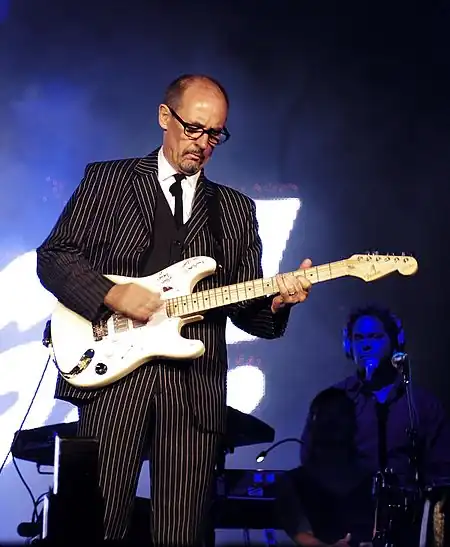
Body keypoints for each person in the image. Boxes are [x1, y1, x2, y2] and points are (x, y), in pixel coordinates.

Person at [36, 74, 312, 546]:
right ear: (165, 117)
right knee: (97, 526)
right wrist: (111, 294)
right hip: (113, 382)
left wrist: (278, 302)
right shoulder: (109, 181)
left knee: (181, 534)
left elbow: (248, 312)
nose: (203, 143)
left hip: (194, 391)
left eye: (215, 134)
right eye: (194, 128)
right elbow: (54, 257)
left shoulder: (236, 210)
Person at [300, 306, 450, 545]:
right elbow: (311, 466)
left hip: (410, 530)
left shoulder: (422, 404)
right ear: (348, 346)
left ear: (395, 342)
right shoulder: (332, 401)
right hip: (347, 529)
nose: (366, 345)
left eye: (375, 336)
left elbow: (442, 474)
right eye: (358, 338)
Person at [276, 388, 375, 547]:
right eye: (326, 416)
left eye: (340, 414)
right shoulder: (293, 482)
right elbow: (300, 532)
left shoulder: (373, 481)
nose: (333, 423)